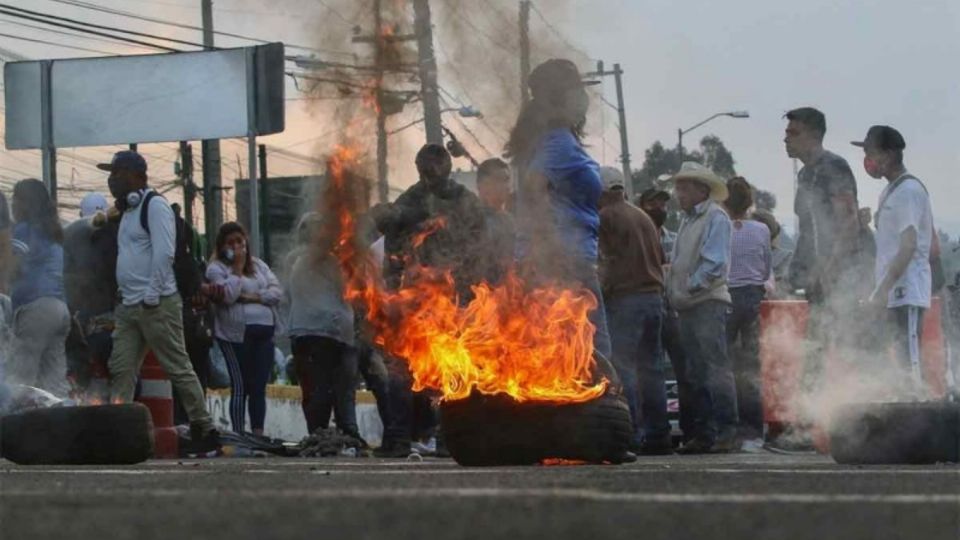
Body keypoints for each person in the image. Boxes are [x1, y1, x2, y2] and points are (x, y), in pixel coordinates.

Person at [371, 144, 487, 457]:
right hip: (417, 299)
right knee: (403, 370)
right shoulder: (411, 201)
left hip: (451, 299)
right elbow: (391, 245)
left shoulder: (463, 201)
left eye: (436, 165)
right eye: (427, 166)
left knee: (446, 369)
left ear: (447, 166)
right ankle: (402, 439)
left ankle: (447, 437)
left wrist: (472, 290)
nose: (432, 172)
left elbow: (481, 246)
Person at [100, 150, 219, 454]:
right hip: (129, 307)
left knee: (177, 366)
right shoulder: (127, 212)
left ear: (138, 176)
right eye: (110, 173)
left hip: (156, 304)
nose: (112, 179)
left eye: (118, 172)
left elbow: (165, 253)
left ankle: (204, 427)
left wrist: (152, 294)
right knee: (122, 369)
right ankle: (118, 433)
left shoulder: (154, 207)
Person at [505, 58, 615, 380]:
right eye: (577, 91)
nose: (584, 100)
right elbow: (534, 186)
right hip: (565, 262)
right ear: (562, 98)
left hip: (559, 260)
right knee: (595, 354)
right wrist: (548, 244)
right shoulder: (559, 143)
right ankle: (598, 424)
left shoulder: (550, 141)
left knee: (562, 353)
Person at [782, 107, 861, 447]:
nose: (786, 138)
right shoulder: (805, 175)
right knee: (815, 350)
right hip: (817, 278)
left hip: (843, 277)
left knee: (844, 348)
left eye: (793, 132)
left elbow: (849, 223)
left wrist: (828, 270)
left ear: (813, 135)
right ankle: (808, 428)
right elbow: (808, 231)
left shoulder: (834, 167)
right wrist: (796, 271)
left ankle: (855, 426)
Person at [598, 167, 672, 455]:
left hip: (627, 299)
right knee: (652, 370)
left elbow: (605, 261)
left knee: (623, 367)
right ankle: (659, 435)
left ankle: (629, 433)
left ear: (602, 190)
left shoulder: (607, 217)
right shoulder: (642, 216)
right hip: (653, 298)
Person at [853, 126, 933, 391]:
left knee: (910, 367)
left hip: (907, 291)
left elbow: (908, 245)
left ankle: (920, 421)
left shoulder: (908, 191)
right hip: (892, 292)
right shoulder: (889, 193)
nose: (867, 159)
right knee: (897, 365)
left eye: (870, 152)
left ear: (888, 154)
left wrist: (883, 290)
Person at [667, 162, 738, 454]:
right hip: (691, 304)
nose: (678, 193)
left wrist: (688, 287)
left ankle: (724, 431)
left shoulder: (714, 217)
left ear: (701, 189)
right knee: (697, 371)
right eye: (679, 187)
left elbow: (714, 264)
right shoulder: (690, 220)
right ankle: (706, 433)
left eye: (684, 187)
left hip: (706, 303)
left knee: (713, 368)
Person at [285, 212, 361, 438]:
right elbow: (351, 291)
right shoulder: (327, 260)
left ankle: (325, 436)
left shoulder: (300, 259)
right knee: (336, 391)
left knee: (322, 392)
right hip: (326, 334)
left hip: (316, 334)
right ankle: (341, 436)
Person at [206, 222, 283, 436]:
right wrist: (237, 270)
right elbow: (229, 296)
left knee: (258, 386)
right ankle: (239, 434)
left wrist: (251, 297)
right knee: (241, 386)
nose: (237, 247)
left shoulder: (259, 266)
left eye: (240, 241)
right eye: (231, 243)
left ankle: (258, 433)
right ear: (222, 247)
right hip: (235, 335)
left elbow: (276, 293)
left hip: (264, 334)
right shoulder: (217, 269)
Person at [639, 186, 696, 444]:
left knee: (685, 371)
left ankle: (690, 429)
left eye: (663, 204)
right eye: (653, 204)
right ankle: (656, 431)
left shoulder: (674, 238)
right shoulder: (636, 237)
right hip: (649, 309)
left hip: (674, 310)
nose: (659, 209)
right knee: (651, 372)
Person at [6, 179, 70, 395]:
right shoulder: (53, 231)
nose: (12, 205)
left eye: (16, 198)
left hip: (36, 310)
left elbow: (12, 266)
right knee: (54, 384)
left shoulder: (25, 230)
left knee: (19, 380)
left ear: (26, 203)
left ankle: (14, 428)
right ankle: (65, 424)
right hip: (60, 309)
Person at [723, 177, 771, 450]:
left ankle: (730, 427)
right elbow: (766, 267)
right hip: (753, 295)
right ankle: (754, 432)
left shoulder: (720, 228)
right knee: (751, 366)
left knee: (724, 366)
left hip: (727, 295)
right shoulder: (762, 229)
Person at [63, 194, 120, 397]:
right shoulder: (114, 234)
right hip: (107, 316)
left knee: (83, 368)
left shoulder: (71, 235)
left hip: (87, 316)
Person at [475, 157, 516, 284]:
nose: (507, 186)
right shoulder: (472, 219)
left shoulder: (508, 220)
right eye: (499, 180)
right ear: (482, 186)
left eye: (507, 180)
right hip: (481, 296)